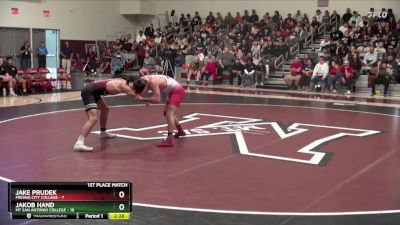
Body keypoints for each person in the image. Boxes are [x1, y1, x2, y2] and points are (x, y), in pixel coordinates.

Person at [74, 78, 138, 151]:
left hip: (94, 91)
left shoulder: (122, 80)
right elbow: (136, 96)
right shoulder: (124, 86)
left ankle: (103, 132)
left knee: (105, 109)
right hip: (88, 92)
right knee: (93, 119)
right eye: (136, 88)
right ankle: (79, 143)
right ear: (131, 84)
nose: (135, 89)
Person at [133, 75, 185, 147]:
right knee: (167, 113)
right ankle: (180, 131)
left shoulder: (153, 82)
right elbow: (144, 91)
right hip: (172, 91)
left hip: (177, 91)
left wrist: (142, 99)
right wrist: (144, 98)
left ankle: (169, 139)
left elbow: (157, 100)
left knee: (169, 113)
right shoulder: (143, 79)